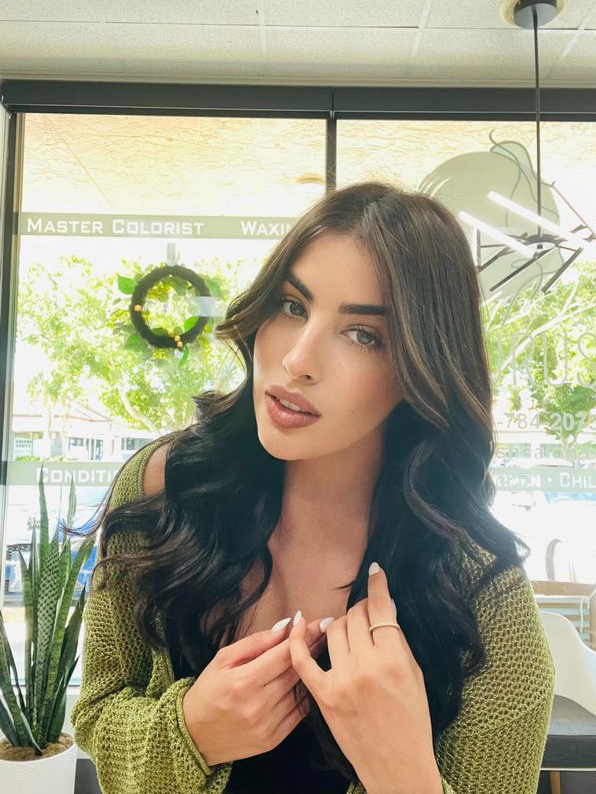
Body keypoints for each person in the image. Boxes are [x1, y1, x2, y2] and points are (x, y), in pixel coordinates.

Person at [70, 181, 555, 794]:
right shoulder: (165, 486)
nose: (297, 359)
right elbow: (96, 714)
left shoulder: (485, 595)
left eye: (362, 335)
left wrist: (401, 770)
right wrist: (190, 733)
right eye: (294, 306)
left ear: (420, 370)